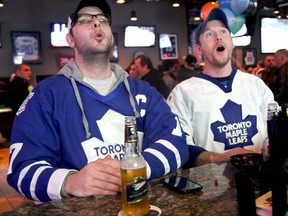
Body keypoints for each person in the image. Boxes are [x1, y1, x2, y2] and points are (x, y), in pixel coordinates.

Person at [7, 0, 188, 203]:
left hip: (141, 205)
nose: (96, 23)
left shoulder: (144, 92)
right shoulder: (46, 96)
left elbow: (176, 142)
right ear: (70, 39)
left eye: (103, 20)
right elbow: (21, 169)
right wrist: (70, 181)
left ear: (111, 36)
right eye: (84, 20)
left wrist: (137, 167)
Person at [167, 8, 275, 167]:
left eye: (224, 32)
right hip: (212, 185)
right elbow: (179, 146)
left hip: (261, 178)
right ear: (199, 50)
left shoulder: (256, 84)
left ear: (232, 44)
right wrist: (218, 158)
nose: (218, 37)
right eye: (209, 34)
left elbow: (274, 128)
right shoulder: (182, 93)